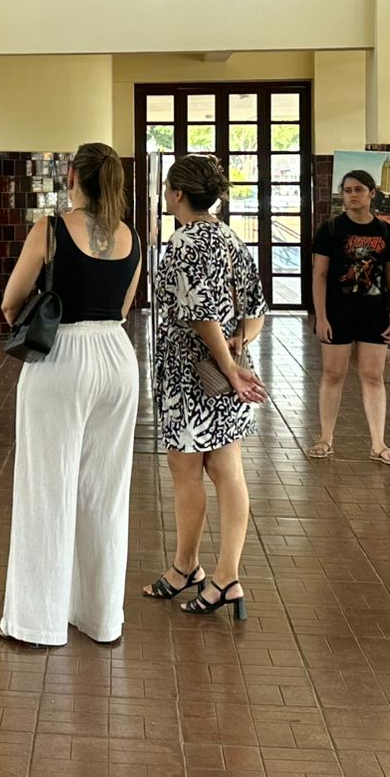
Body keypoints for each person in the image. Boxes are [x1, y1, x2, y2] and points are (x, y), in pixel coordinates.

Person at [0, 143, 142, 647]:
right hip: (118, 359)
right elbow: (123, 307)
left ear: (72, 176)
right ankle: (101, 617)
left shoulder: (51, 229)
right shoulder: (132, 236)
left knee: (47, 486)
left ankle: (38, 621)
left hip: (62, 358)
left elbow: (10, 303)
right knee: (104, 491)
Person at [142, 154, 267, 621]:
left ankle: (185, 568)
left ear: (177, 194)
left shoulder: (182, 244)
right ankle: (225, 576)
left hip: (192, 375)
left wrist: (227, 363)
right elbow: (256, 308)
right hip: (227, 373)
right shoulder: (232, 240)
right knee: (228, 469)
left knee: (186, 471)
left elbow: (202, 317)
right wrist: (239, 349)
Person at [306, 170, 390, 465]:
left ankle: (378, 444)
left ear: (372, 193)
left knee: (373, 375)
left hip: (374, 312)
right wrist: (321, 317)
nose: (352, 195)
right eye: (347, 190)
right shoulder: (331, 229)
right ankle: (325, 438)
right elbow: (320, 275)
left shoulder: (386, 232)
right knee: (333, 374)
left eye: (358, 189)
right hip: (338, 311)